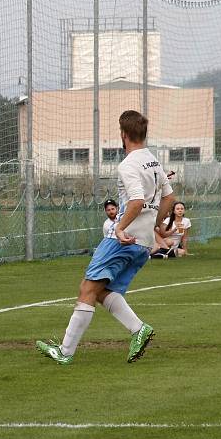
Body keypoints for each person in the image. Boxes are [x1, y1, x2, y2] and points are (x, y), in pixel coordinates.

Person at [36, 110, 173, 364]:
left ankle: (65, 352)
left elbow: (136, 200)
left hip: (122, 239)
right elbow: (168, 197)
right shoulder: (153, 161)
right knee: (102, 291)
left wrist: (120, 228)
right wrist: (152, 225)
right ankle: (138, 329)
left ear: (123, 134)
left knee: (87, 288)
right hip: (142, 243)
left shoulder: (129, 164)